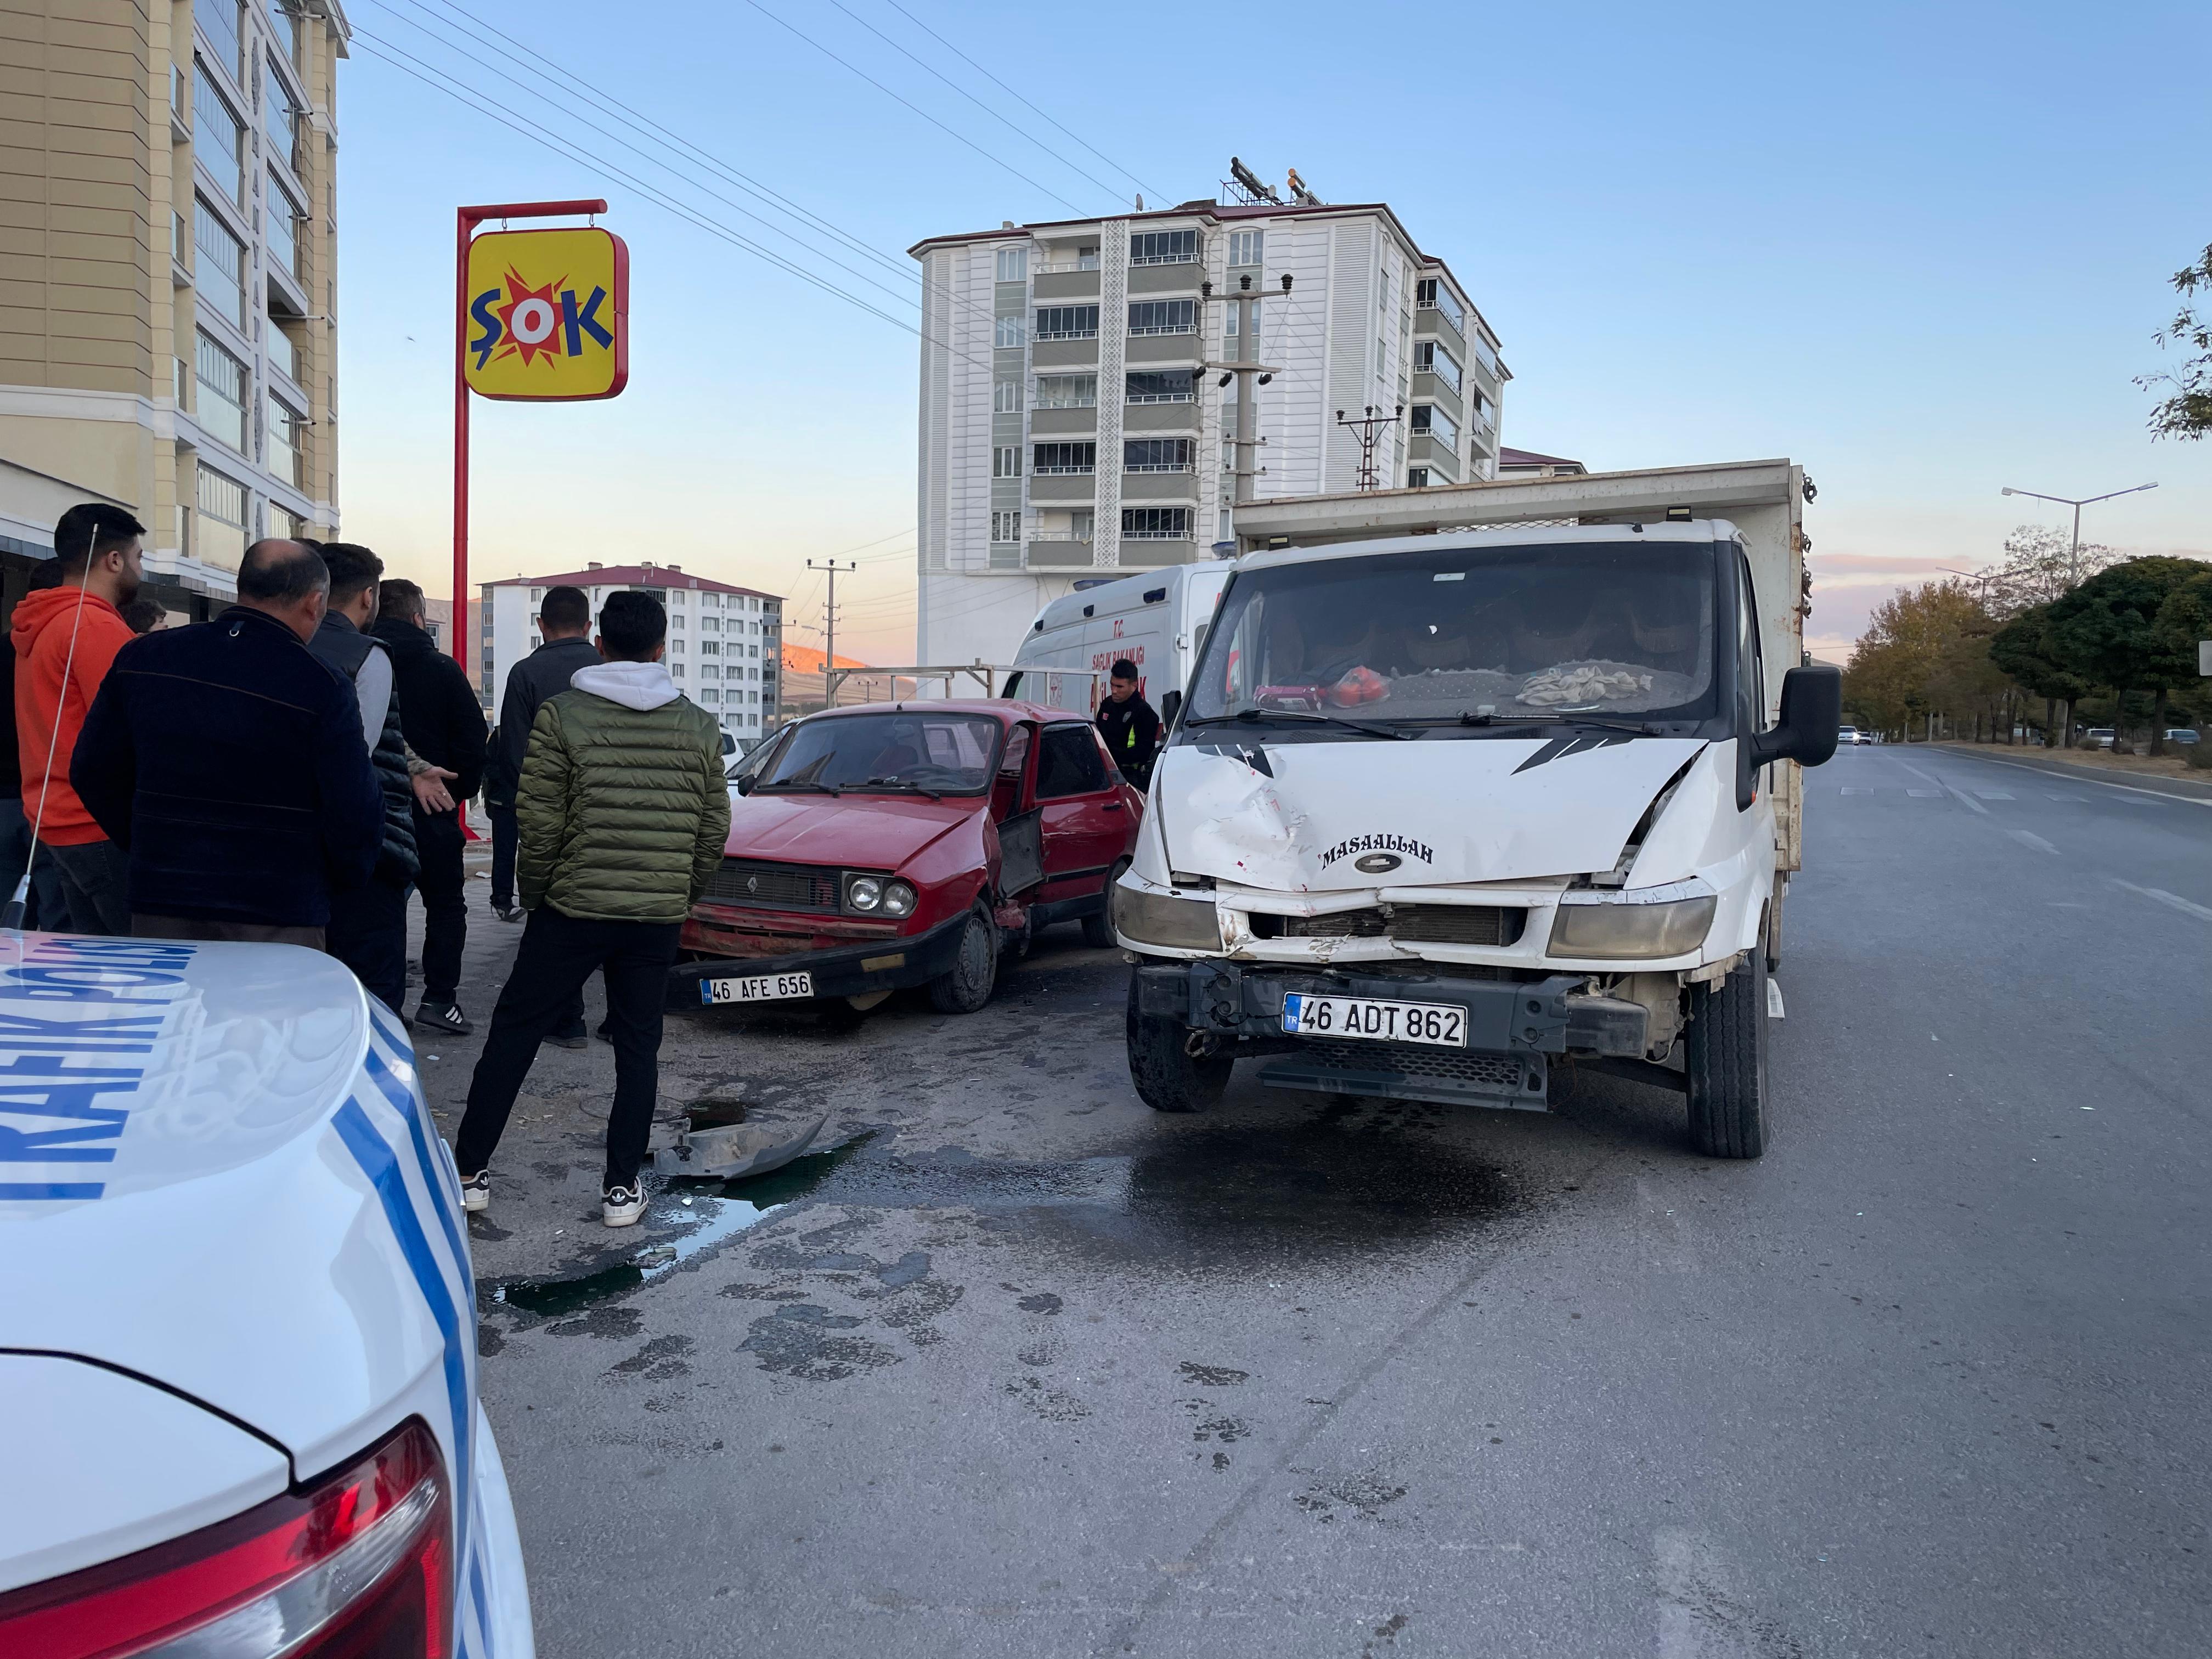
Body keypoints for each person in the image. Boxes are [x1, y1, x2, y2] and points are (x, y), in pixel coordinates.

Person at [453, 591, 728, 1228]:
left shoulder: (562, 715)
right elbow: (713, 828)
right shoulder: (697, 725)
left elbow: (539, 820)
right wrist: (677, 895)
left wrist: (541, 893)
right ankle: (621, 1190)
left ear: (601, 645)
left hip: (572, 909)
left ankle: (470, 1173)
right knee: (638, 1047)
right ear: (662, 649)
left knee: (515, 1032)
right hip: (655, 916)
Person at [70, 539, 382, 944]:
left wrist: (150, 842)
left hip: (164, 899)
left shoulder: (145, 658)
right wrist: (333, 880)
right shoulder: (320, 684)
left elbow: (92, 769)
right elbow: (353, 808)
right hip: (278, 908)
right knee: (271, 1009)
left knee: (171, 1007)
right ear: (315, 602)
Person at [14, 503, 146, 934]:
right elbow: (132, 730)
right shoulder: (94, 627)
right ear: (114, 560)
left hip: (55, 818)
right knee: (144, 962)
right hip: (99, 823)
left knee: (94, 962)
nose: (140, 569)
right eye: (138, 557)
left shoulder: (45, 622)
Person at [370, 578, 487, 1036]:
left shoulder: (361, 661)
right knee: (445, 907)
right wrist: (455, 794)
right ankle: (440, 999)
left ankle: (384, 1003)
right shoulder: (442, 669)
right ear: (419, 617)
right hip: (435, 815)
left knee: (382, 908)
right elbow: (474, 745)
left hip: (375, 811)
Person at [308, 543, 419, 1013]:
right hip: (365, 853)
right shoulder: (368, 655)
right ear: (368, 597)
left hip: (290, 855)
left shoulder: (286, 644)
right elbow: (359, 755)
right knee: (371, 994)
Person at [489, 583, 599, 1047]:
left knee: (556, 914)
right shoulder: (608, 669)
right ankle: (618, 1018)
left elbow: (516, 752)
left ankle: (567, 1018)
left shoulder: (525, 673)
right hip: (604, 811)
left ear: (541, 625)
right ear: (589, 627)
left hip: (549, 813)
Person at [0, 561, 70, 929]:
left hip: (6, 802)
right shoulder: (63, 649)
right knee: (60, 921)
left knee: (7, 922)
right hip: (47, 803)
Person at [1093, 659, 1160, 789]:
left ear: (1134, 685)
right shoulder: (1107, 705)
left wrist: (1110, 755)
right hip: (1104, 774)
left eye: (1120, 687)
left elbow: (1144, 753)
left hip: (1131, 779)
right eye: (1112, 685)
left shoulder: (1145, 714)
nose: (1114, 691)